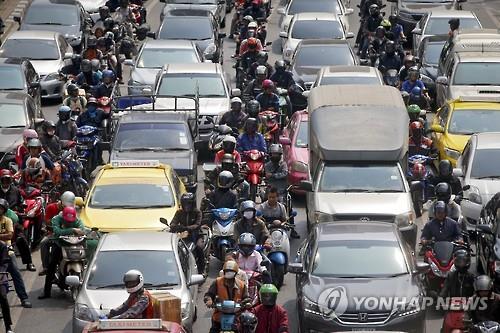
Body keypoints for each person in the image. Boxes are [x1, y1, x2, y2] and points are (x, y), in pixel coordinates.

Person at [39, 206, 85, 299]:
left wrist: (81, 233)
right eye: (67, 221)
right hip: (59, 244)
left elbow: (82, 231)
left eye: (71, 221)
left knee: (85, 262)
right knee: (51, 266)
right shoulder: (56, 219)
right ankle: (46, 292)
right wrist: (72, 230)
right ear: (63, 217)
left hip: (73, 245)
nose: (69, 222)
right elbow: (57, 231)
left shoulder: (78, 221)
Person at [0, 199, 32, 308]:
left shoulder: (8, 220)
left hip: (6, 250)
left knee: (15, 273)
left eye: (1, 208)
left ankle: (23, 298)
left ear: (4, 210)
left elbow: (9, 235)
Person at [0, 174, 35, 272]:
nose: (6, 182)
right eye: (4, 180)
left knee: (21, 239)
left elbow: (21, 203)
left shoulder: (16, 191)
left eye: (8, 180)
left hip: (13, 219)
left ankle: (29, 262)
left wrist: (18, 209)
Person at [204, 260, 249, 333]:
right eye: (227, 271)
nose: (228, 275)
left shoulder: (241, 285)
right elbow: (209, 294)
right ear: (224, 272)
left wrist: (246, 303)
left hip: (236, 316)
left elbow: (246, 297)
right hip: (219, 315)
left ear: (236, 274)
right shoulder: (217, 282)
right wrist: (209, 300)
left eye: (231, 272)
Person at [38, 191, 76, 276]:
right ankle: (46, 267)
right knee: (43, 243)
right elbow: (48, 222)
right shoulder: (51, 207)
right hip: (54, 234)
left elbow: (76, 221)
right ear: (61, 201)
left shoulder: (71, 209)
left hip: (68, 234)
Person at [170, 193, 206, 275]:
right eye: (185, 204)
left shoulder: (197, 212)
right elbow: (173, 223)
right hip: (183, 236)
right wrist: (174, 226)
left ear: (192, 204)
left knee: (199, 248)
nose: (187, 206)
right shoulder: (179, 212)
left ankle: (202, 269)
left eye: (189, 204)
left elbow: (197, 224)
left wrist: (187, 228)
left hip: (196, 235)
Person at [0, 240, 14, 333]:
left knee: (3, 297)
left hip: (0, 275)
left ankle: (8, 326)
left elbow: (4, 263)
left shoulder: (2, 245)